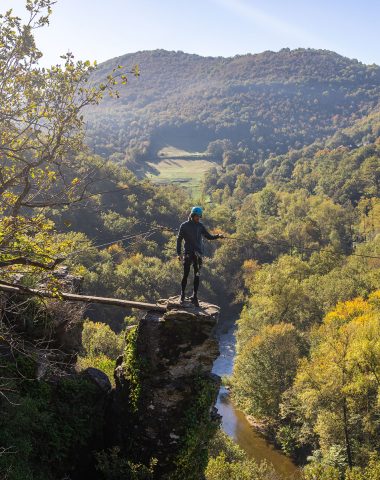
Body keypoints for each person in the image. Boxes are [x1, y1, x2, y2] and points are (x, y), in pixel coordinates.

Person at [176, 206, 223, 306]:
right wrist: (179, 253)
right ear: (192, 215)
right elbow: (179, 240)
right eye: (197, 216)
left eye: (199, 216)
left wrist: (218, 236)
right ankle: (182, 295)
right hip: (188, 252)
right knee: (186, 274)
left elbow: (208, 236)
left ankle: (195, 296)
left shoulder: (200, 226)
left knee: (197, 275)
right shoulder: (184, 226)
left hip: (198, 253)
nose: (198, 218)